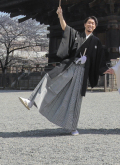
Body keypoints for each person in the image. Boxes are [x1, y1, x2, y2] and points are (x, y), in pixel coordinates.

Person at [19, 7, 108, 135]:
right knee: (50, 79)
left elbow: (99, 60)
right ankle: (31, 101)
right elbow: (66, 28)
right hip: (70, 67)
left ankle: (72, 127)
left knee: (74, 98)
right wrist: (60, 16)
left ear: (95, 27)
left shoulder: (96, 42)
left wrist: (104, 68)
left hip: (81, 72)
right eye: (89, 22)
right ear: (84, 24)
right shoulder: (77, 35)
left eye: (93, 24)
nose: (90, 25)